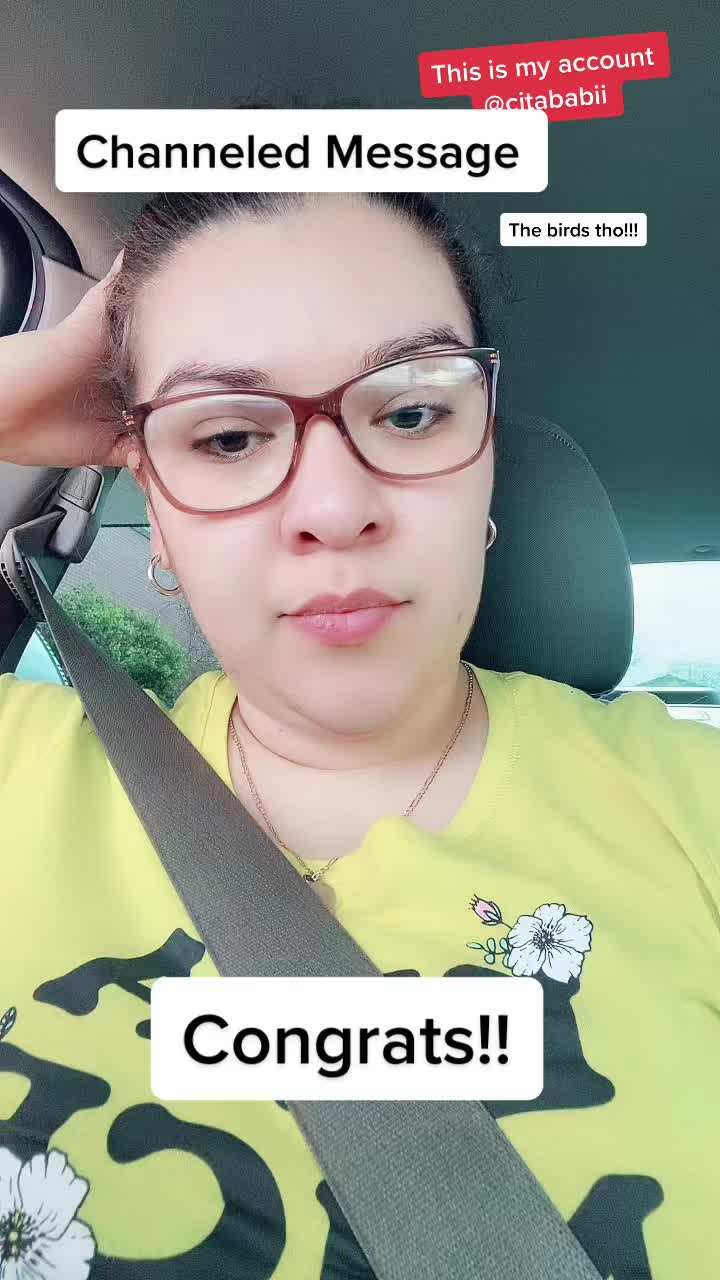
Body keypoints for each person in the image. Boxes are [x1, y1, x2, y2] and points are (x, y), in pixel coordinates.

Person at [0, 191, 717, 1280]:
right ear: (155, 509)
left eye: (414, 413)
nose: (335, 508)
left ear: (487, 460)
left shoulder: (693, 801)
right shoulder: (21, 769)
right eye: (227, 435)